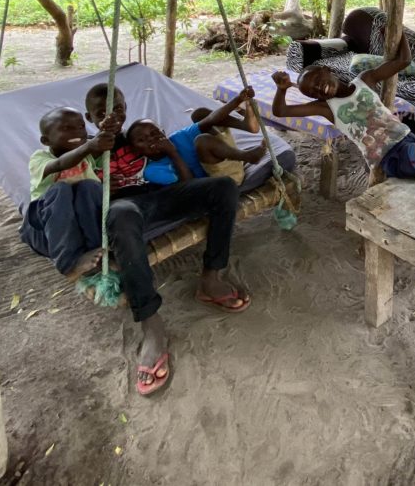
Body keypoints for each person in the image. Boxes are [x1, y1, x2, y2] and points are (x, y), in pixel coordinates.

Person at [83, 83, 250, 398]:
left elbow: (184, 140)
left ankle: (211, 277)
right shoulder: (90, 149)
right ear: (90, 118)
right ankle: (151, 324)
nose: (113, 116)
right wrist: (94, 148)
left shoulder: (137, 138)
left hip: (161, 196)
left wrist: (168, 148)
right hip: (126, 207)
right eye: (103, 112)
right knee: (120, 217)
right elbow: (78, 183)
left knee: (223, 187)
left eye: (118, 107)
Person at [272, 34, 415, 180]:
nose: (319, 89)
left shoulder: (364, 80)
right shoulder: (326, 108)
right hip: (391, 157)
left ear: (325, 69)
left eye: (318, 81)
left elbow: (403, 61)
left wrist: (399, 34)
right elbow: (281, 112)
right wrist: (282, 89)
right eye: (313, 92)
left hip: (407, 139)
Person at [19, 107, 115, 278]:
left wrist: (107, 130)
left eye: (80, 126)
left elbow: (105, 145)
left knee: (90, 187)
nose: (77, 131)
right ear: (46, 140)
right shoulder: (39, 158)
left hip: (79, 231)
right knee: (60, 189)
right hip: (46, 234)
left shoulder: (87, 152)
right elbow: (59, 165)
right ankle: (68, 262)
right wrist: (88, 147)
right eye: (66, 128)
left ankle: (98, 249)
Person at [125, 87, 261, 187]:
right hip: (221, 182)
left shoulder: (177, 138)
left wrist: (237, 100)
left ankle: (246, 126)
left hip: (229, 164)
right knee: (202, 141)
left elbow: (209, 120)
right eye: (142, 140)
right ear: (135, 150)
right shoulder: (152, 171)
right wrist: (172, 152)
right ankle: (246, 156)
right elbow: (190, 187)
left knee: (200, 115)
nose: (150, 139)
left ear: (164, 133)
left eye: (154, 133)